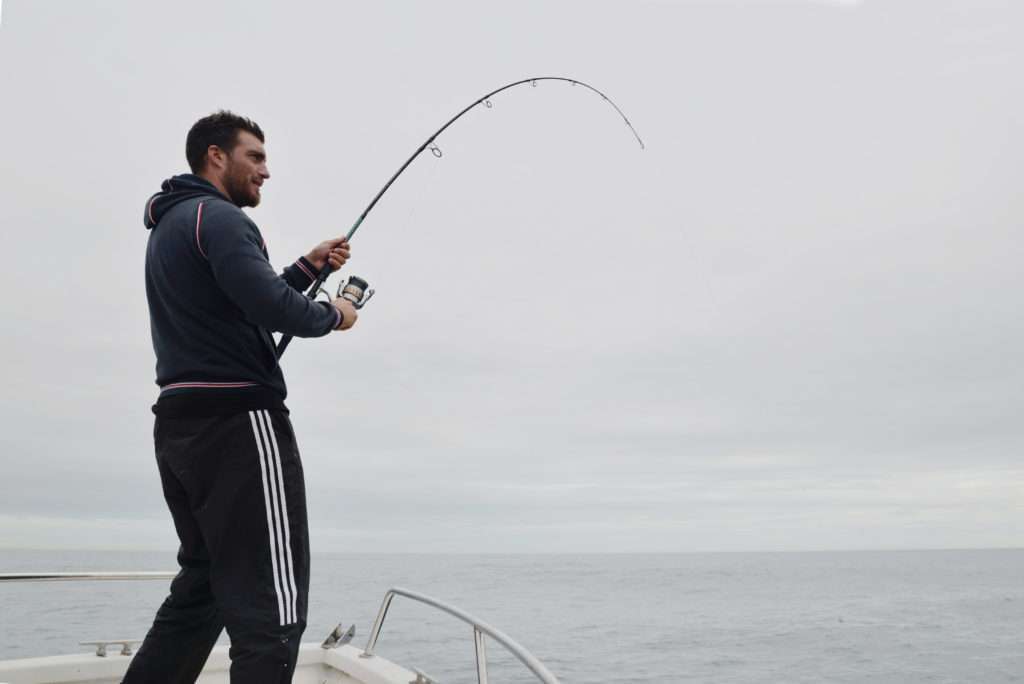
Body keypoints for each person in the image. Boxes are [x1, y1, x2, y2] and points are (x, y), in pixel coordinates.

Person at [123, 110, 357, 683]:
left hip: (181, 428)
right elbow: (273, 308)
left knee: (200, 592)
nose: (266, 171)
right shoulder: (221, 218)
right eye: (254, 157)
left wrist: (307, 267)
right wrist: (336, 314)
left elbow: (239, 299)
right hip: (238, 426)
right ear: (216, 156)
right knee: (270, 613)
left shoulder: (174, 226)